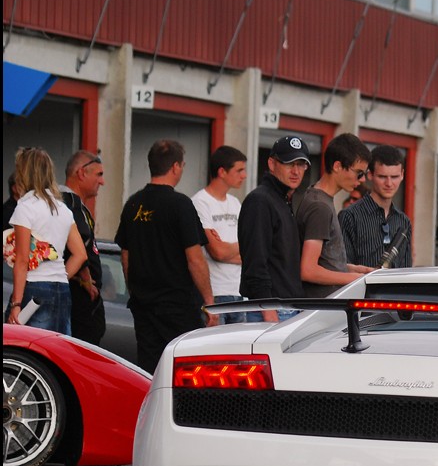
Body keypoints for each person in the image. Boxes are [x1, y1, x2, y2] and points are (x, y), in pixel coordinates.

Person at [114, 140, 216, 372]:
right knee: (185, 368)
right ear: (176, 167)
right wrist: (209, 301)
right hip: (178, 306)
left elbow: (125, 256)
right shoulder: (180, 205)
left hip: (143, 305)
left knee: (150, 369)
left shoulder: (133, 204)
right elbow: (195, 259)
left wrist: (134, 291)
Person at [6, 147, 88, 334]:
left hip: (33, 288)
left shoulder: (25, 208)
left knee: (23, 349)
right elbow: (80, 254)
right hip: (62, 289)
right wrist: (59, 277)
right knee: (55, 352)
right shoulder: (62, 209)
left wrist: (16, 304)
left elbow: (22, 260)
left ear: (23, 173)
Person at [239, 135, 310, 323]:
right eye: (289, 164)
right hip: (272, 311)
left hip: (288, 308)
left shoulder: (283, 199)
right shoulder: (260, 201)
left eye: (301, 164)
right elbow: (255, 263)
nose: (296, 171)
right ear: (272, 164)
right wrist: (268, 312)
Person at [297, 133, 374, 297]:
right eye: (359, 173)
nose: (361, 180)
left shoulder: (320, 199)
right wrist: (354, 278)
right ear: (337, 166)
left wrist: (353, 269)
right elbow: (308, 270)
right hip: (322, 310)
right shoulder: (320, 206)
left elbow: (325, 262)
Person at [193, 145, 260, 324]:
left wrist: (231, 248)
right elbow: (217, 252)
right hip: (215, 294)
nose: (244, 175)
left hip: (239, 293)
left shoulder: (236, 203)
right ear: (222, 172)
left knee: (238, 351)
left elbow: (252, 250)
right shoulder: (200, 202)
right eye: (239, 170)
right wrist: (241, 248)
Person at [340, 145, 413, 269]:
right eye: (382, 177)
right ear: (370, 175)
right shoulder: (349, 216)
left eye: (394, 177)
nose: (389, 184)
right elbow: (341, 268)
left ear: (402, 175)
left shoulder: (404, 221)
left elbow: (406, 271)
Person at [61, 150, 106, 344]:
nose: (102, 182)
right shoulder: (69, 203)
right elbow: (76, 245)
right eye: (99, 175)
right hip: (76, 302)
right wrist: (83, 271)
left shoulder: (74, 204)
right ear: (81, 173)